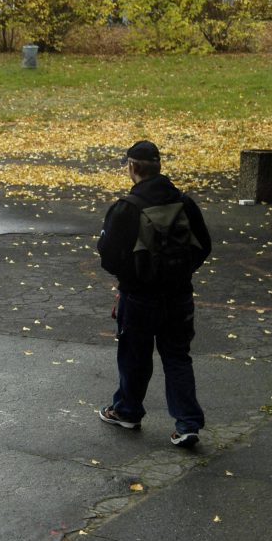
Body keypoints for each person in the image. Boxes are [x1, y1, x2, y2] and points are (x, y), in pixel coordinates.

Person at [97, 140, 212, 448]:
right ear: (159, 167)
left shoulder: (127, 208)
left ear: (132, 168)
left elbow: (108, 255)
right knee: (177, 357)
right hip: (178, 295)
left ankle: (127, 410)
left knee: (135, 355)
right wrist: (179, 273)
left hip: (139, 298)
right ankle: (187, 424)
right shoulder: (184, 203)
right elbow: (204, 246)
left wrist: (130, 279)